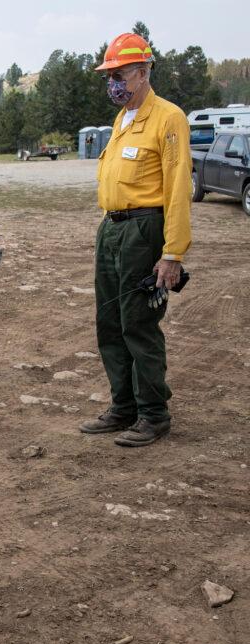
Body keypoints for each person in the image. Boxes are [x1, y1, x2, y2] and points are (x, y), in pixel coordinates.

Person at [79, 33, 191, 447]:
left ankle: (153, 414)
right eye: (109, 75)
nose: (113, 83)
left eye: (120, 74)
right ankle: (122, 407)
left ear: (143, 73)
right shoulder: (122, 119)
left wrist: (172, 252)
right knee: (109, 323)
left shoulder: (168, 117)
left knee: (138, 324)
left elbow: (178, 188)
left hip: (144, 231)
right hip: (112, 228)